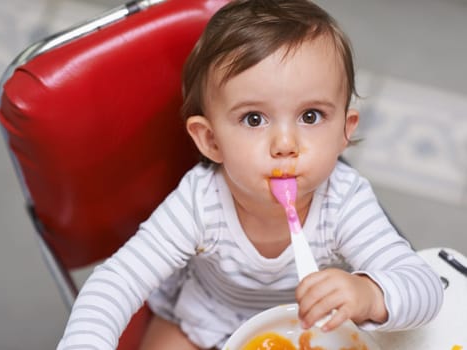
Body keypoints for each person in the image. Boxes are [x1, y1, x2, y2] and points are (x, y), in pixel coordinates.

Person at [57, 1, 444, 349]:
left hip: (308, 326)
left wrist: (370, 293)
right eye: (254, 119)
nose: (285, 144)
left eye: (311, 116)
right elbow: (117, 280)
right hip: (205, 322)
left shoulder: (344, 201)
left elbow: (424, 288)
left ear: (346, 129)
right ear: (210, 141)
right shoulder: (199, 202)